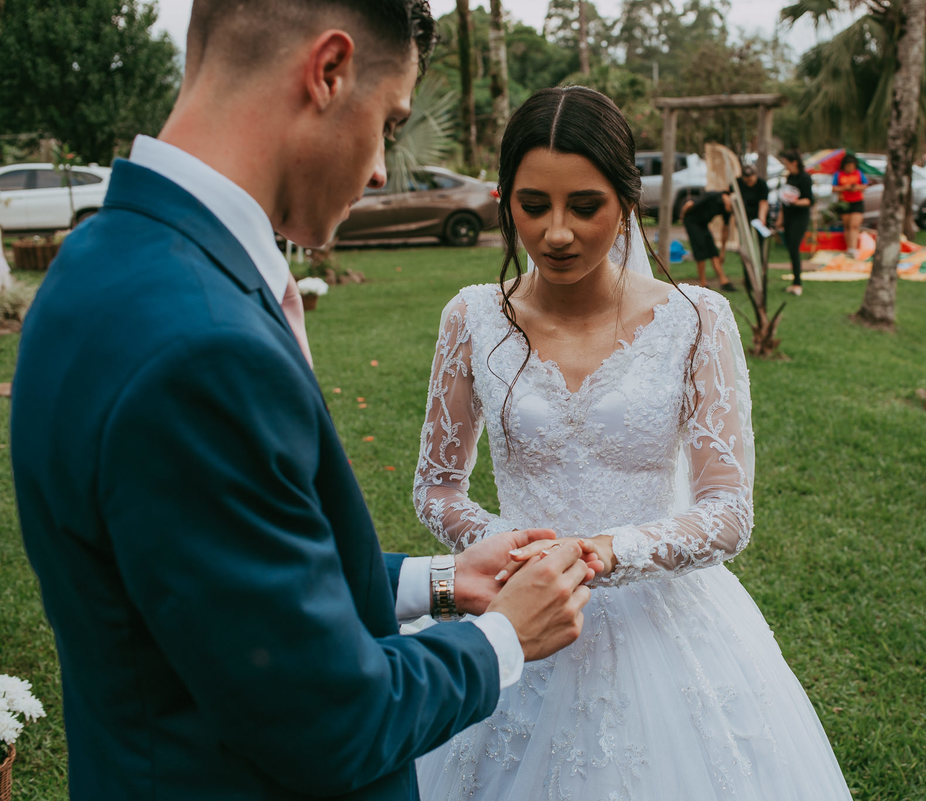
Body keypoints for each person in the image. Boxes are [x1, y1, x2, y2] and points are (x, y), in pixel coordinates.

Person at [9, 2, 598, 799]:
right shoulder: (200, 345)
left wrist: (439, 580)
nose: (385, 167)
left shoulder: (94, 267)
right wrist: (504, 637)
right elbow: (331, 718)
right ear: (328, 72)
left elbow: (219, 582)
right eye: (390, 121)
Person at [411, 86, 853, 800]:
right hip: (515, 614)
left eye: (584, 206)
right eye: (534, 205)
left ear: (626, 202)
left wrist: (608, 551)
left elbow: (726, 511)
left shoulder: (696, 320)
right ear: (506, 201)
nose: (557, 232)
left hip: (666, 626)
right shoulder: (471, 319)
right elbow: (436, 486)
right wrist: (514, 545)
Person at [679, 189, 735, 290]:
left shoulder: (728, 209)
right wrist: (682, 217)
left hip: (703, 224)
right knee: (700, 250)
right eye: (730, 207)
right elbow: (689, 204)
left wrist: (722, 251)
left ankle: (724, 281)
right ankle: (703, 283)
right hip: (691, 221)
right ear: (728, 198)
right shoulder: (712, 196)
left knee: (712, 250)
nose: (730, 210)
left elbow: (725, 230)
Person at [777, 148, 813, 296]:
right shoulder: (789, 177)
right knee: (791, 249)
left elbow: (809, 200)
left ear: (795, 162)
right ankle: (795, 282)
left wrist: (795, 202)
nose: (785, 166)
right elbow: (783, 201)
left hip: (800, 217)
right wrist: (780, 219)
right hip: (788, 217)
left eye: (787, 163)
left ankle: (798, 283)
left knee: (794, 248)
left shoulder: (805, 178)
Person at [832, 152, 867, 253]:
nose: (850, 168)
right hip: (844, 203)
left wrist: (856, 187)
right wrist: (844, 188)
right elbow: (833, 189)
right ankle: (849, 248)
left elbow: (865, 185)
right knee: (847, 226)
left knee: (854, 225)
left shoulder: (859, 173)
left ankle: (854, 248)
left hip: (857, 201)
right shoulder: (838, 174)